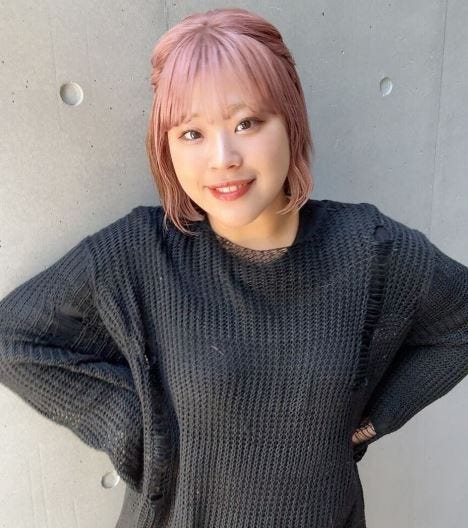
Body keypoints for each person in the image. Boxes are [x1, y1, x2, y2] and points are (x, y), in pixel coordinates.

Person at [0, 7, 466, 528]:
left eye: (247, 123)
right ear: (166, 147)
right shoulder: (140, 253)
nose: (223, 157)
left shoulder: (369, 249)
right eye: (191, 133)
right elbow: (13, 339)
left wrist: (378, 415)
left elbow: (461, 322)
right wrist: (140, 424)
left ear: (290, 121)